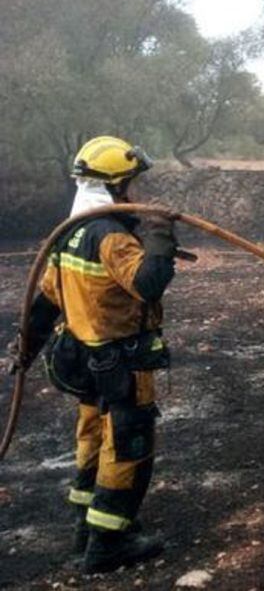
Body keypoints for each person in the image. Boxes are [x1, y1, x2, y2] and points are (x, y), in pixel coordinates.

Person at [9, 136, 178, 573]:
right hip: (121, 362)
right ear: (117, 187)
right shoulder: (110, 238)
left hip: (83, 359)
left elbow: (46, 301)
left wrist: (26, 349)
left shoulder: (68, 234)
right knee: (128, 446)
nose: (136, 194)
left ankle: (85, 527)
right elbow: (148, 283)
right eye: (132, 185)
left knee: (92, 439)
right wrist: (160, 233)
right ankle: (107, 546)